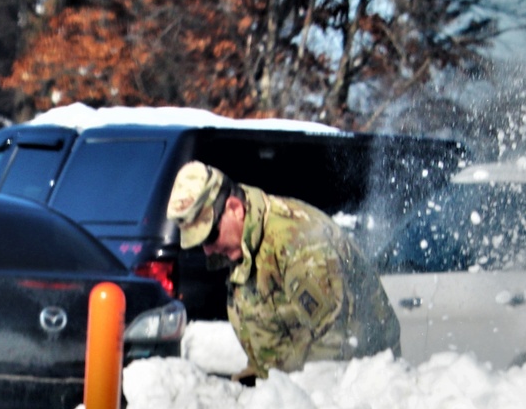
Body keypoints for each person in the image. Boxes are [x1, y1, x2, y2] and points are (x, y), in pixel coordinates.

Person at [167, 160, 400, 379]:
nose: (208, 250)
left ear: (235, 208)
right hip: (296, 395)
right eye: (201, 243)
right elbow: (272, 345)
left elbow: (338, 349)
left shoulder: (298, 244)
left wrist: (287, 404)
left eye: (210, 236)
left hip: (352, 392)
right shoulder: (246, 246)